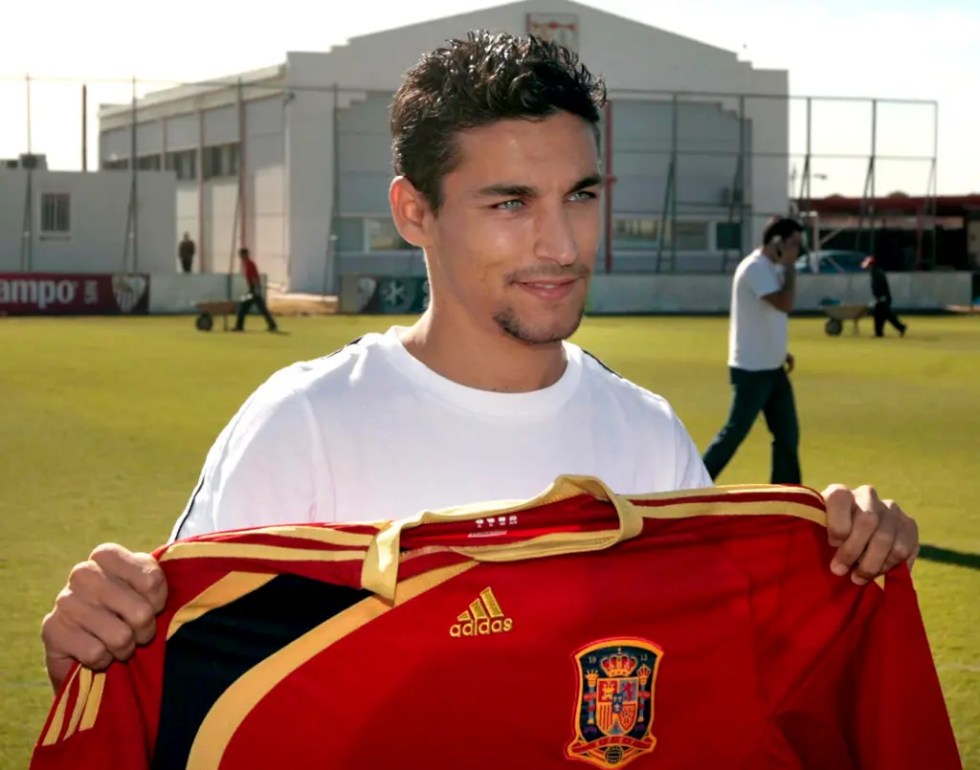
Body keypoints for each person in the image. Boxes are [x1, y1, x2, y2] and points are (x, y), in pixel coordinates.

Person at [39, 32, 919, 692]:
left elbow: (719, 690)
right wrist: (91, 640)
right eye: (510, 202)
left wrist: (850, 556)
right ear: (414, 212)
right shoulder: (302, 426)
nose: (561, 242)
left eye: (580, 195)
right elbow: (174, 695)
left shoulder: (648, 439)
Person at [702, 218, 803, 484]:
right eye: (793, 244)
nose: (797, 250)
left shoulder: (770, 268)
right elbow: (784, 303)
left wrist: (781, 351)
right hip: (752, 370)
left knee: (787, 435)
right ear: (777, 242)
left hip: (772, 367)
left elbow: (768, 316)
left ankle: (787, 495)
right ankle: (692, 482)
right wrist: (791, 267)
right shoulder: (755, 268)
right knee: (734, 434)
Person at [234, 247, 278, 332]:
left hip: (253, 289)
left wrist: (256, 289)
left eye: (241, 255)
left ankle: (239, 326)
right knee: (260, 308)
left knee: (243, 304)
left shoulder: (250, 264)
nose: (241, 258)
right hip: (253, 289)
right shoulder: (247, 264)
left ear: (245, 255)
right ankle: (272, 325)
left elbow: (254, 277)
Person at [862, 256, 907, 337]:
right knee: (885, 315)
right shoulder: (875, 272)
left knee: (881, 315)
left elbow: (881, 287)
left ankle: (880, 332)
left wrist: (881, 298)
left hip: (883, 298)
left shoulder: (877, 274)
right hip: (882, 298)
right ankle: (899, 328)